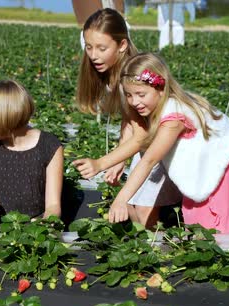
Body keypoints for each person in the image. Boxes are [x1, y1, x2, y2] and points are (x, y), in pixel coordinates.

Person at [108, 52, 229, 235]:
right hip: (206, 159)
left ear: (161, 88)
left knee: (216, 227)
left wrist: (121, 199)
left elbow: (149, 160)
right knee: (199, 225)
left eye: (140, 94)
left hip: (223, 161)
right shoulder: (159, 106)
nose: (134, 102)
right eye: (129, 95)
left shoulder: (174, 118)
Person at [72, 8, 181, 229]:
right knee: (134, 207)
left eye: (102, 48)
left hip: (163, 142)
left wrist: (102, 163)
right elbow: (130, 121)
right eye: (89, 47)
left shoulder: (130, 76)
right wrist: (120, 159)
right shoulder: (113, 74)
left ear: (122, 45)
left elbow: (141, 136)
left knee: (142, 211)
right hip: (149, 142)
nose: (93, 55)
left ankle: (155, 249)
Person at [0, 79, 63, 223]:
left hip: (36, 224)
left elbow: (53, 205)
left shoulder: (49, 146)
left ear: (7, 117)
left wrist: (43, 226)